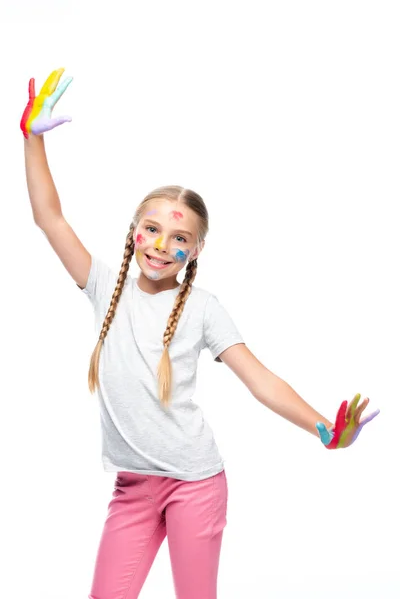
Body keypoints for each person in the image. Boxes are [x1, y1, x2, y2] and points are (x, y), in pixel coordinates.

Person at [22, 68, 380, 599]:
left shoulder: (205, 309)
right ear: (134, 230)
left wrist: (325, 429)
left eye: (180, 236)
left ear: (197, 250)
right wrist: (33, 140)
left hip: (196, 485)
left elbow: (260, 380)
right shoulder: (103, 287)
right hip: (132, 490)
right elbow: (49, 218)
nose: (162, 245)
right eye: (153, 229)